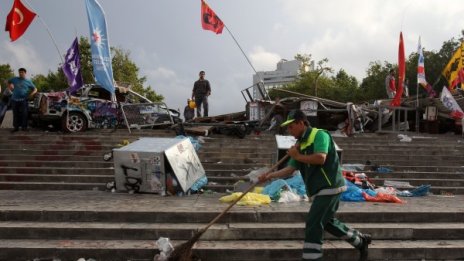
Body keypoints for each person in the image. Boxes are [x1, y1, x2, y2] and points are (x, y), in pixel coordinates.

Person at [259, 109, 371, 261]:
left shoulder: (320, 135)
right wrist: (269, 176)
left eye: (291, 127)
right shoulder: (300, 144)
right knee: (327, 222)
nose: (289, 131)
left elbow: (320, 158)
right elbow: (291, 169)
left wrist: (298, 156)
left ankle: (312, 257)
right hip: (317, 190)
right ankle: (360, 241)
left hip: (330, 186)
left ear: (301, 123)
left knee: (313, 222)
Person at [8, 68, 37, 132]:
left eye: (22, 72)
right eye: (20, 72)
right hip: (14, 99)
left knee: (24, 114)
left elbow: (35, 89)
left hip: (24, 100)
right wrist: (10, 87)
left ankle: (24, 127)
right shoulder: (15, 79)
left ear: (25, 73)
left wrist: (31, 94)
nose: (21, 73)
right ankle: (16, 127)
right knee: (15, 113)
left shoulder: (28, 81)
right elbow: (8, 81)